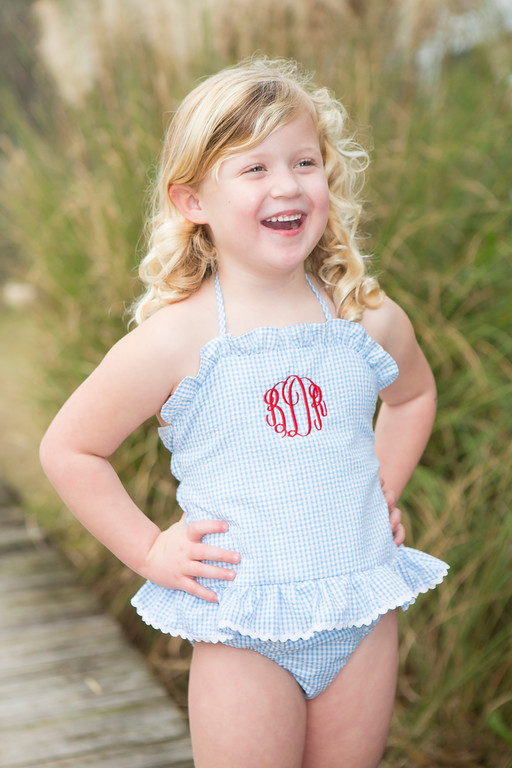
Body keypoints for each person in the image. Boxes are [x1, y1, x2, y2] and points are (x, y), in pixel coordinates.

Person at [40, 57, 448, 768]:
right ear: (193, 199)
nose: (287, 184)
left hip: (360, 615)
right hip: (243, 628)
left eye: (304, 161)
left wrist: (379, 489)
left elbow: (413, 395)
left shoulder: (364, 316)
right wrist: (149, 551)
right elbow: (70, 450)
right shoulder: (178, 337)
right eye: (254, 169)